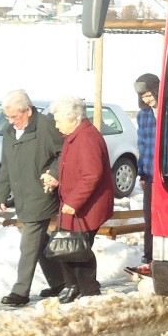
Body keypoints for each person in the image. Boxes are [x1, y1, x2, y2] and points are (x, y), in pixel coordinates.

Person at [0, 90, 67, 307]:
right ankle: (60, 282)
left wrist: (53, 174)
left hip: (41, 193)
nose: (11, 121)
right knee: (39, 241)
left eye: (15, 116)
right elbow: (6, 164)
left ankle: (20, 291)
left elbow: (64, 153)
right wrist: (1, 192)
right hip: (22, 194)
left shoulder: (45, 126)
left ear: (28, 110)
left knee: (28, 242)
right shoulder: (9, 131)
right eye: (8, 117)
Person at [43, 95, 114, 303]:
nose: (56, 126)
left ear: (73, 118)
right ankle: (72, 286)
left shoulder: (87, 138)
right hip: (74, 203)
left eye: (58, 120)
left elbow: (92, 175)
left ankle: (90, 291)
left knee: (79, 248)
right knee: (67, 245)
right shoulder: (74, 136)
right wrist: (56, 179)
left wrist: (74, 202)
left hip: (86, 206)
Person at [131, 73, 159, 277]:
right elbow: (142, 145)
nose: (147, 100)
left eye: (149, 94)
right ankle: (148, 257)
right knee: (148, 218)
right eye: (143, 97)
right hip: (149, 175)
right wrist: (141, 172)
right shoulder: (143, 116)